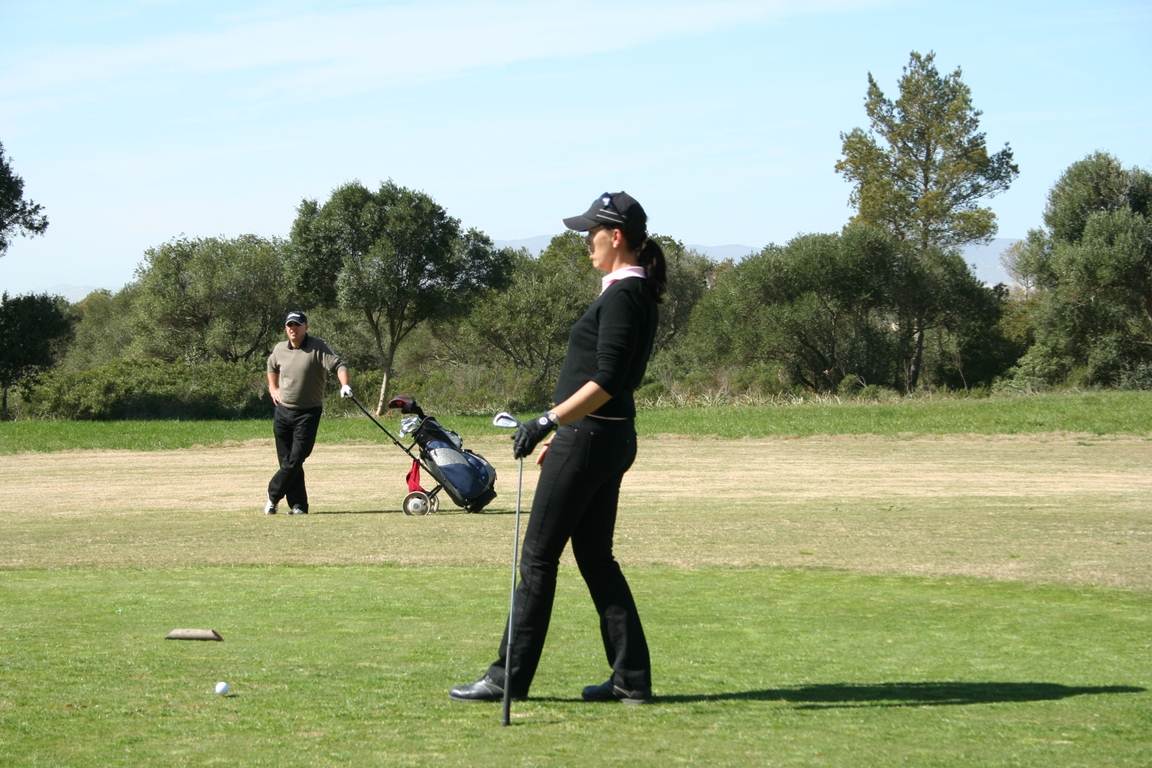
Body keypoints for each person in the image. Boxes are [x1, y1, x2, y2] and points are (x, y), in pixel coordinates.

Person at [450, 191, 667, 705]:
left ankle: (507, 677)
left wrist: (548, 422)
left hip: (591, 436)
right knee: (595, 558)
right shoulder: (631, 292)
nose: (587, 242)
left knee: (538, 558)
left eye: (593, 233)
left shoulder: (624, 295)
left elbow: (608, 379)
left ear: (616, 236)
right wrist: (563, 431)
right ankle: (631, 678)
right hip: (600, 437)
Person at [264, 310, 353, 516]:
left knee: (296, 459)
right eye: (290, 325)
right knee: (287, 462)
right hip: (283, 412)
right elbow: (271, 366)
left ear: (306, 327)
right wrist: (273, 388)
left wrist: (345, 385)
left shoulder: (317, 347)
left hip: (308, 413)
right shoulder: (280, 348)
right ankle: (298, 506)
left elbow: (339, 365)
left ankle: (272, 496)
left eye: (297, 325)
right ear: (286, 328)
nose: (293, 329)